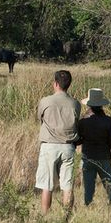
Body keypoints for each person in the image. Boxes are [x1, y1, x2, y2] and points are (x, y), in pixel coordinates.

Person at [35, 70, 81, 214]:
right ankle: (67, 215)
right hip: (68, 147)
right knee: (67, 185)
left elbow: (40, 118)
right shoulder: (75, 104)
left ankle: (45, 215)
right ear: (69, 84)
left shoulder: (45, 101)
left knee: (47, 185)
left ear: (55, 84)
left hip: (49, 146)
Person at [77, 88, 111, 206]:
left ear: (89, 104)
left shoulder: (83, 121)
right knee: (110, 187)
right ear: (102, 104)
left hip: (88, 157)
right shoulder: (108, 121)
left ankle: (88, 206)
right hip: (104, 157)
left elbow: (77, 140)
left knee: (88, 188)